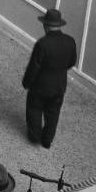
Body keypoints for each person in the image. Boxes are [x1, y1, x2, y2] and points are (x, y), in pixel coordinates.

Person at [22, 9, 77, 149]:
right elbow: (72, 62)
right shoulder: (70, 42)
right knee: (53, 114)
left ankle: (35, 136)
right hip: (59, 86)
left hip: (40, 87)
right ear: (59, 25)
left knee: (34, 109)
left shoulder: (42, 44)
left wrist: (27, 82)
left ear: (45, 25)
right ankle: (47, 140)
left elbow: (34, 67)